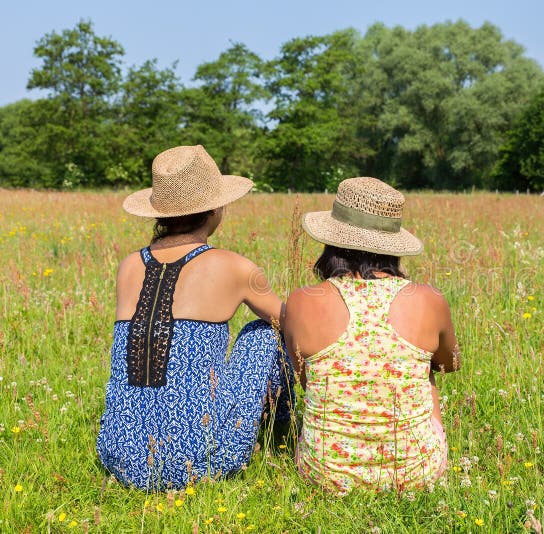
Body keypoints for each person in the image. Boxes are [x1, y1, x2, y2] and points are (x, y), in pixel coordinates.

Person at [96, 145, 293, 491]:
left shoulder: (128, 265)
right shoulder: (235, 266)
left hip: (120, 456)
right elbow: (290, 323)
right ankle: (285, 428)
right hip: (201, 460)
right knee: (265, 330)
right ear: (215, 209)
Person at [283, 177, 460, 494]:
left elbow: (307, 380)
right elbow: (450, 364)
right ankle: (408, 456)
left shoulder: (300, 301)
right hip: (417, 473)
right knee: (425, 373)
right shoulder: (430, 299)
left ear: (332, 239)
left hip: (324, 472)